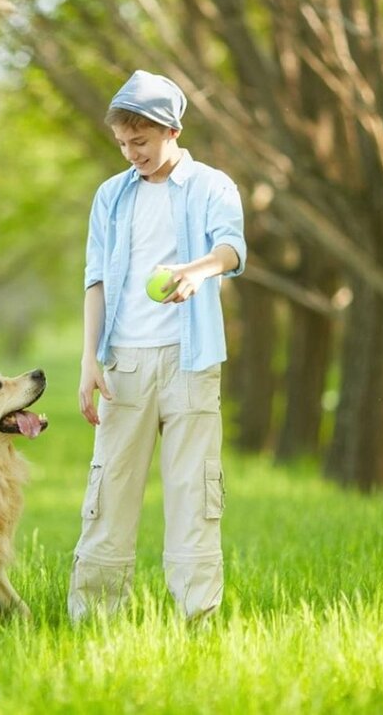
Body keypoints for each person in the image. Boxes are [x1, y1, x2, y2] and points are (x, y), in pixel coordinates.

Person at [67, 70, 247, 623]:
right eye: (123, 143)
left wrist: (197, 272)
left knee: (194, 493)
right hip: (125, 362)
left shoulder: (212, 185)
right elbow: (95, 279)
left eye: (140, 141)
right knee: (109, 492)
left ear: (173, 130)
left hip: (191, 360)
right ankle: (93, 621)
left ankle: (198, 619)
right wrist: (89, 360)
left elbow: (232, 249)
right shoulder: (111, 196)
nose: (131, 153)